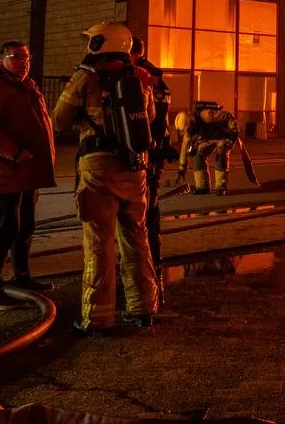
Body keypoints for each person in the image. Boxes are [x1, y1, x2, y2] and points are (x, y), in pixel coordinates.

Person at [51, 21, 158, 336]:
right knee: (137, 239)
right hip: (135, 167)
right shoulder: (138, 78)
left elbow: (59, 121)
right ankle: (143, 308)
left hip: (99, 168)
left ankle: (97, 317)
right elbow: (148, 120)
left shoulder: (86, 78)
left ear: (99, 43)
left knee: (99, 243)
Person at [0, 39, 58, 310]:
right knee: (4, 231)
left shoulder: (23, 85)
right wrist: (15, 153)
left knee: (25, 227)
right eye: (16, 57)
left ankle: (21, 277)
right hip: (6, 173)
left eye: (27, 56)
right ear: (2, 58)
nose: (24, 62)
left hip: (27, 172)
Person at [130, 35, 171, 304]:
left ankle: (148, 277)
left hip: (141, 162)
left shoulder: (145, 80)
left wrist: (154, 159)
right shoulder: (153, 80)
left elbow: (156, 124)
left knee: (144, 222)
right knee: (145, 222)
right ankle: (150, 276)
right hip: (146, 160)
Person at [175, 100, 240, 195]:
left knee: (221, 153)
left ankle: (221, 187)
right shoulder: (188, 131)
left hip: (223, 136)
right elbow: (184, 149)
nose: (188, 133)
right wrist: (182, 169)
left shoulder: (206, 116)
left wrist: (233, 132)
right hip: (208, 139)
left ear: (192, 122)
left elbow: (228, 116)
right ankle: (202, 187)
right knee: (198, 157)